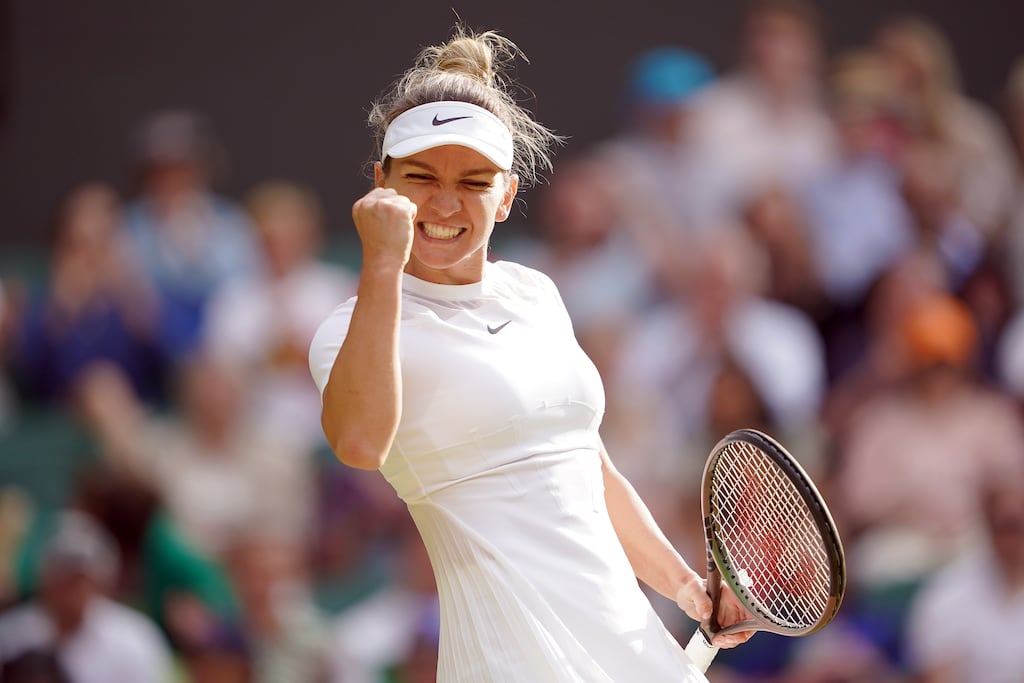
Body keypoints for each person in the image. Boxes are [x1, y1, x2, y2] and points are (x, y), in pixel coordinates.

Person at [308, 27, 752, 683]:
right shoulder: (352, 329)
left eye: (474, 180)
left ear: (508, 194)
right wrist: (381, 264)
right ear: (381, 184)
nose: (445, 201)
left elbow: (590, 472)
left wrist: (686, 586)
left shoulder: (537, 292)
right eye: (420, 177)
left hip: (634, 651)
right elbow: (359, 442)